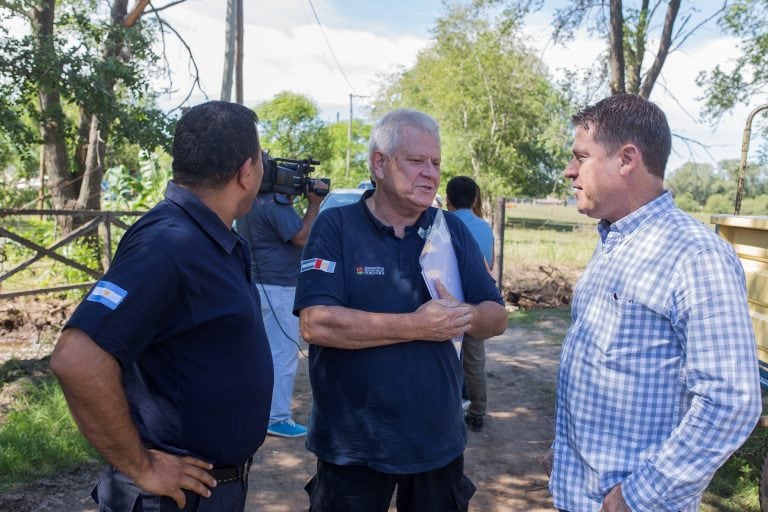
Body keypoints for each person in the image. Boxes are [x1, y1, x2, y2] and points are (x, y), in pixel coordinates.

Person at [50, 101, 273, 512]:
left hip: (210, 489)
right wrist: (143, 465)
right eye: (262, 161)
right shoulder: (168, 244)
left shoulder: (210, 238)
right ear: (246, 172)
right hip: (172, 497)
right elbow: (76, 358)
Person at [546, 94, 761, 512]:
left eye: (580, 157)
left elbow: (732, 401)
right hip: (583, 493)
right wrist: (565, 450)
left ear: (626, 159)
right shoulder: (615, 241)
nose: (569, 171)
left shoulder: (695, 256)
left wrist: (638, 496)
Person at [294, 108, 508, 512]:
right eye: (416, 161)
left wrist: (464, 316)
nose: (430, 173)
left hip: (436, 440)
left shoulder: (451, 228)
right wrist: (418, 325)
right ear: (379, 163)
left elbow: (496, 316)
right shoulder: (336, 226)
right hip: (352, 444)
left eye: (436, 163)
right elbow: (316, 324)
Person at [236, 174, 326, 438]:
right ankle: (277, 418)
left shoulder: (252, 202)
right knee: (283, 356)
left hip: (259, 286)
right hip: (279, 289)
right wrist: (314, 204)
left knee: (259, 354)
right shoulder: (275, 206)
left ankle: (258, 413)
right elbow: (302, 237)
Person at [446, 176, 494, 433]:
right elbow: (490, 266)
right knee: (474, 361)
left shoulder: (441, 223)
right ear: (475, 198)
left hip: (446, 304)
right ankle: (477, 412)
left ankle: (447, 410)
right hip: (477, 304)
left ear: (448, 197)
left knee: (446, 359)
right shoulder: (485, 228)